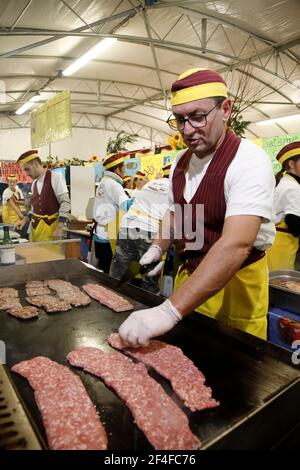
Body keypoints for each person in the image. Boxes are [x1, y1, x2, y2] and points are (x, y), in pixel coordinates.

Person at [118, 67, 276, 347]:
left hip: (236, 286)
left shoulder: (248, 161)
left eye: (198, 117)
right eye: (179, 120)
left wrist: (168, 311)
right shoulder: (180, 162)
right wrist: (158, 247)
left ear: (226, 109)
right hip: (190, 280)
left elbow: (237, 244)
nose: (187, 130)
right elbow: (174, 212)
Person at [110, 163, 171, 293]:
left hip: (128, 225)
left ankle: (114, 300)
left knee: (119, 274)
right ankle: (147, 308)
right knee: (148, 277)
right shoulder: (177, 187)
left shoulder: (150, 184)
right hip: (151, 229)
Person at [15, 150, 70, 242]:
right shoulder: (34, 184)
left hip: (52, 229)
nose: (26, 174)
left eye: (27, 169)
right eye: (24, 170)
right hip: (36, 229)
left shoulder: (55, 177)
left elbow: (65, 202)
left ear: (36, 164)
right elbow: (34, 209)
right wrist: (24, 220)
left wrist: (60, 227)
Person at [92, 153, 130, 273]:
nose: (124, 172)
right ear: (117, 169)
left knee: (102, 267)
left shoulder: (103, 182)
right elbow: (125, 206)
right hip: (109, 235)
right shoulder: (114, 185)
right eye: (123, 169)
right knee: (110, 271)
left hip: (99, 233)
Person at [267, 142, 300, 271]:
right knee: (280, 286)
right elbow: (294, 222)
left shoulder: (286, 183)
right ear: (291, 164)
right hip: (280, 249)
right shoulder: (293, 187)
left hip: (276, 246)